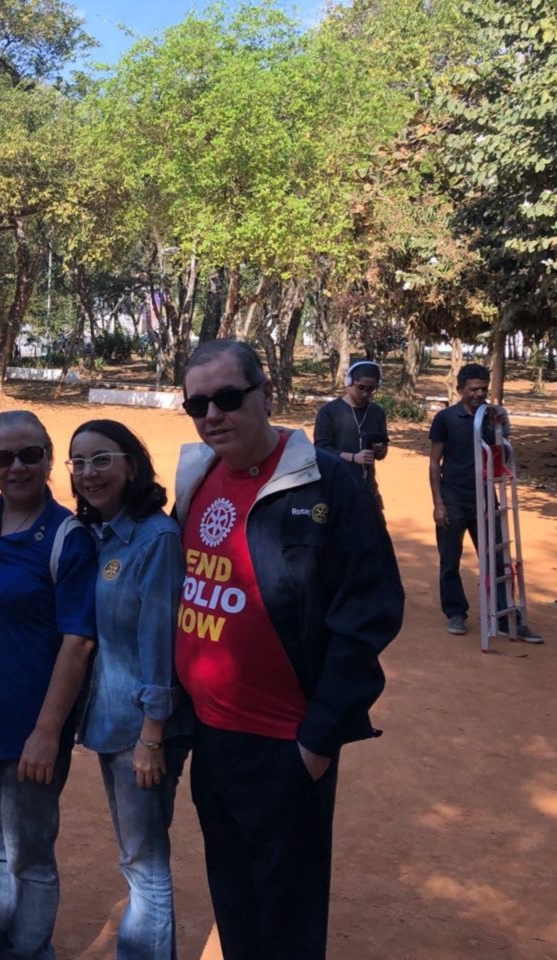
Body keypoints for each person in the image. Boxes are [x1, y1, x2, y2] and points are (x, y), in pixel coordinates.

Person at [174, 339, 404, 960]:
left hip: (286, 744)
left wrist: (318, 739)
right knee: (235, 899)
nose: (212, 415)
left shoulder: (328, 483)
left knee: (288, 918)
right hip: (211, 741)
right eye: (197, 404)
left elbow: (370, 611)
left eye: (228, 397)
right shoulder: (196, 476)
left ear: (266, 393)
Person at [0, 411, 98, 960]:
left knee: (31, 852)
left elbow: (78, 643)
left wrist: (47, 731)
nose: (17, 467)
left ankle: (32, 948)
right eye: (3, 457)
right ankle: (1, 935)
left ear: (48, 458)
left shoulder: (67, 537)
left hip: (33, 728)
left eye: (30, 455)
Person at [67, 419, 193, 960]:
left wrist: (151, 737)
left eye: (102, 459)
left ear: (132, 465)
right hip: (113, 719)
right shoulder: (102, 532)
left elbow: (159, 641)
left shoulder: (155, 539)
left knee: (145, 865)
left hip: (142, 729)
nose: (89, 473)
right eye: (78, 462)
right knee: (137, 858)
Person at [428, 363, 543, 641]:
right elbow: (434, 463)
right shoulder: (445, 418)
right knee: (450, 560)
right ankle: (456, 612)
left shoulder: (492, 417)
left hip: (486, 498)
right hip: (453, 498)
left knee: (497, 559)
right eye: (473, 389)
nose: (479, 394)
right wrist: (438, 504)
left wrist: (501, 426)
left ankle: (506, 617)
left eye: (483, 389)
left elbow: (503, 458)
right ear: (460, 389)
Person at [313, 360, 389, 503]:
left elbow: (382, 453)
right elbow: (321, 449)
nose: (365, 393)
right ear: (349, 383)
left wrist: (379, 450)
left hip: (367, 490)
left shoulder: (377, 412)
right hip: (335, 488)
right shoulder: (328, 411)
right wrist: (353, 457)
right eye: (361, 387)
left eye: (371, 389)